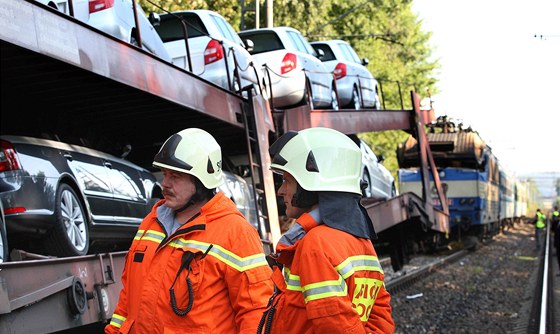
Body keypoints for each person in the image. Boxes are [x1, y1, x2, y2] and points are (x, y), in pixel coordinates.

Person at [105, 128, 274, 334]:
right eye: (165, 174)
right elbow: (128, 300)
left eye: (175, 176)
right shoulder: (151, 222)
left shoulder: (235, 233)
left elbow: (256, 311)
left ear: (202, 181)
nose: (165, 183)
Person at [258, 127, 394, 334]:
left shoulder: (316, 244)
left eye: (286, 180)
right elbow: (380, 310)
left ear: (309, 183)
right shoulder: (361, 242)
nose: (280, 190)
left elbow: (335, 326)